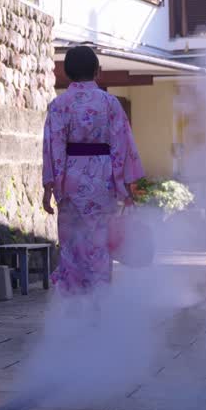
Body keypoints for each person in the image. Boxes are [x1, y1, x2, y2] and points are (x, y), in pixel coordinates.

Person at [42, 45, 144, 296]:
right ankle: (99, 301)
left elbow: (52, 147)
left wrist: (49, 186)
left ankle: (73, 304)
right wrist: (127, 186)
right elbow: (122, 144)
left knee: (71, 243)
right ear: (97, 71)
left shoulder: (59, 105)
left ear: (65, 73)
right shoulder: (110, 104)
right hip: (103, 180)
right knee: (99, 244)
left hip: (70, 180)